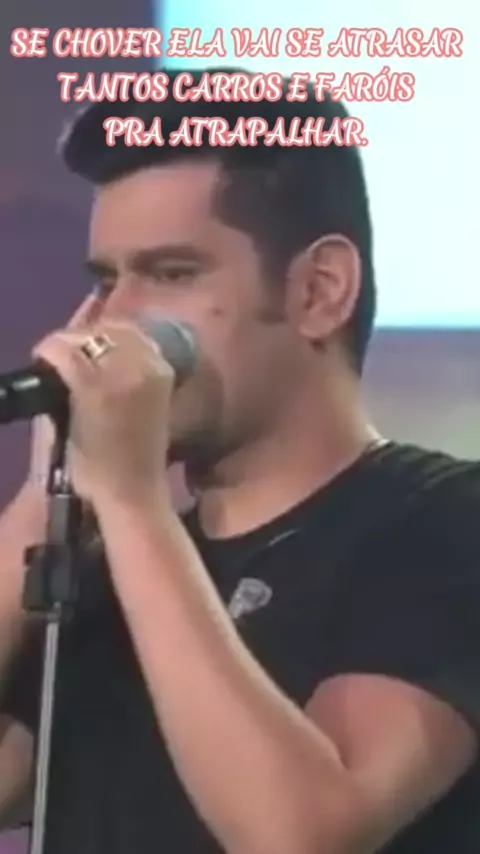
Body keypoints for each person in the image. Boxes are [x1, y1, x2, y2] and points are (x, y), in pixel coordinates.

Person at [0, 68, 479, 854]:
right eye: (106, 281)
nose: (115, 322)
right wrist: (36, 505)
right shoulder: (107, 568)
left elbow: (298, 834)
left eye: (171, 273)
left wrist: (131, 503)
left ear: (319, 291)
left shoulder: (444, 520)